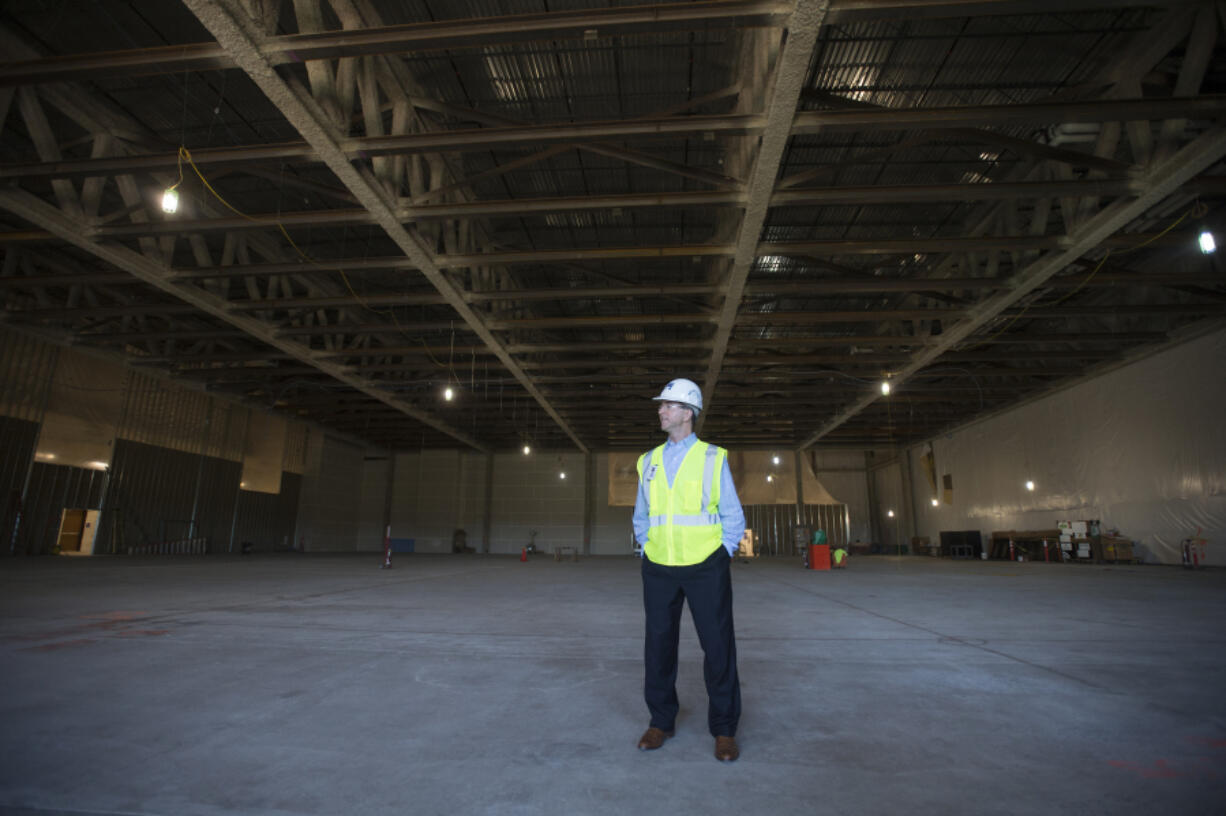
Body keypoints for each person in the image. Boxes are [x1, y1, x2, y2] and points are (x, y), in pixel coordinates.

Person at [632, 378, 746, 762]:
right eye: (661, 405)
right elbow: (641, 514)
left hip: (705, 567)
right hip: (659, 566)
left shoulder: (713, 458)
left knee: (717, 647)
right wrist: (647, 547)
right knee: (658, 647)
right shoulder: (647, 461)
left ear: (687, 412)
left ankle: (724, 729)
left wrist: (721, 554)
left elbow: (732, 514)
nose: (660, 411)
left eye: (667, 405)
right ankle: (660, 721)